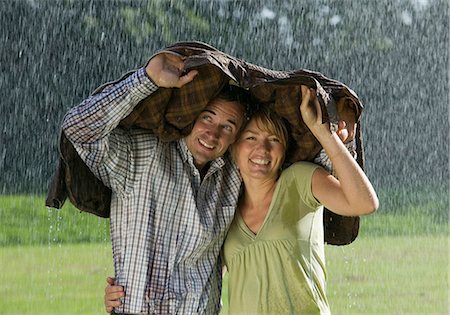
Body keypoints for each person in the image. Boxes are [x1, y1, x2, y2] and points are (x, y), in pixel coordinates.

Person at [62, 52, 248, 314]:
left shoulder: (236, 176)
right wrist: (147, 79)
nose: (213, 132)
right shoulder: (144, 152)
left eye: (227, 127)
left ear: (235, 137)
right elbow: (77, 128)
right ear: (192, 114)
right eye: (207, 117)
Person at [221, 85, 378, 314]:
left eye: (273, 140)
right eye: (251, 137)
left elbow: (364, 203)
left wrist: (324, 133)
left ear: (284, 150)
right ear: (235, 146)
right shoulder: (226, 206)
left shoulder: (300, 180)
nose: (262, 149)